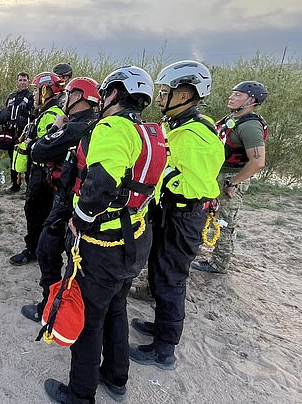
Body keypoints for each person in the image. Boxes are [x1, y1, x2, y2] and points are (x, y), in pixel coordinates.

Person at [44, 66, 167, 404]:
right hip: (136, 239)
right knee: (116, 307)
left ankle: (80, 394)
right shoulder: (151, 132)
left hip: (104, 243)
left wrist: (78, 222)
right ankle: (116, 376)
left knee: (88, 317)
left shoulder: (112, 128)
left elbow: (99, 186)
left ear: (113, 94)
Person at [129, 60, 224, 371]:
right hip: (167, 213)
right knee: (158, 270)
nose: (159, 97)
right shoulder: (178, 126)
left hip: (183, 217)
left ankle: (164, 350)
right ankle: (160, 326)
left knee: (171, 279)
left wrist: (160, 171)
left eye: (165, 92)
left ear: (184, 95)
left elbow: (194, 186)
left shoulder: (197, 134)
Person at [20, 77, 100, 323]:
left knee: (47, 252)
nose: (64, 99)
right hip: (82, 200)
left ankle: (50, 307)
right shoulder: (95, 124)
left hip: (66, 201)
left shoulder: (75, 127)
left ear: (77, 97)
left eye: (67, 95)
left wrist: (55, 128)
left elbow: (39, 150)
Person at [192, 81, 268, 274]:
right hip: (217, 174)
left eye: (238, 95)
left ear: (251, 100)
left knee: (224, 222)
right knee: (204, 214)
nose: (231, 97)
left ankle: (219, 264)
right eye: (232, 93)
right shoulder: (233, 118)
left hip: (231, 177)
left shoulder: (250, 126)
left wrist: (233, 183)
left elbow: (257, 162)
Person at [9, 72, 65, 265]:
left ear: (45, 91)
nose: (33, 95)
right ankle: (40, 248)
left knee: (34, 211)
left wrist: (32, 144)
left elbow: (50, 146)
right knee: (40, 212)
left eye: (35, 90)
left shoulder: (51, 115)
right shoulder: (47, 112)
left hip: (43, 174)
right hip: (41, 172)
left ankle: (33, 250)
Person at [0, 72, 34, 192]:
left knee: (26, 159)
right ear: (17, 82)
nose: (22, 82)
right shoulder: (12, 96)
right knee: (13, 158)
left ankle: (29, 186)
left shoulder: (31, 96)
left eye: (24, 80)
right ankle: (15, 185)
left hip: (24, 133)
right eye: (20, 80)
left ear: (28, 81)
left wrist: (26, 114)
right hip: (11, 132)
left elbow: (34, 114)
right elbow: (6, 111)